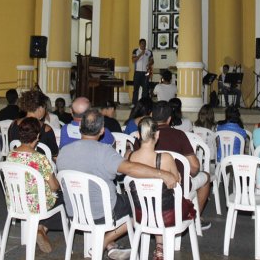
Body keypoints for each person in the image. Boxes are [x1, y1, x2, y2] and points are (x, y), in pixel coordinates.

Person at [57, 110, 177, 260]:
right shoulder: (105, 152)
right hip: (103, 212)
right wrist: (162, 173)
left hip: (75, 211)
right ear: (102, 131)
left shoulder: (63, 152)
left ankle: (110, 244)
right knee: (140, 206)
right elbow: (131, 168)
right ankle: (104, 241)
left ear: (80, 126)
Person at [134, 101, 212, 230]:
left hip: (146, 187)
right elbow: (194, 168)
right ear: (169, 119)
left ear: (151, 115)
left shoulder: (143, 136)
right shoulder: (179, 135)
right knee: (206, 177)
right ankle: (198, 218)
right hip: (176, 188)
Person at [127, 117, 196, 260]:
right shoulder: (165, 158)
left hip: (141, 213)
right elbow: (177, 181)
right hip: (168, 214)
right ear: (157, 135)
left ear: (138, 135)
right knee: (186, 204)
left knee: (155, 203)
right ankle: (161, 247)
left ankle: (160, 246)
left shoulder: (130, 157)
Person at [6, 117, 62, 253]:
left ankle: (40, 228)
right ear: (37, 136)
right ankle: (42, 228)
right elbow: (54, 187)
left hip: (15, 202)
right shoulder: (39, 158)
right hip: (36, 205)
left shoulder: (10, 155)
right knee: (63, 198)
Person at [8, 90, 59, 159]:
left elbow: (11, 147)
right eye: (45, 108)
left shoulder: (13, 124)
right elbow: (54, 154)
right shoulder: (46, 129)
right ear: (40, 108)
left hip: (16, 164)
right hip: (38, 167)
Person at [131, 39, 154, 106]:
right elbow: (133, 60)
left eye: (144, 43)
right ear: (139, 44)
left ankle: (144, 103)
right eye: (142, 44)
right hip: (137, 72)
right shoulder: (136, 51)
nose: (143, 45)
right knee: (136, 89)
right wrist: (141, 54)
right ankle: (134, 103)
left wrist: (149, 63)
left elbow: (152, 61)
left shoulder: (149, 52)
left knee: (145, 88)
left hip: (146, 72)